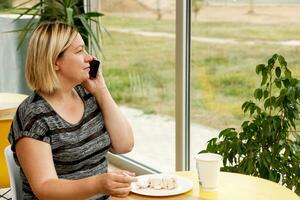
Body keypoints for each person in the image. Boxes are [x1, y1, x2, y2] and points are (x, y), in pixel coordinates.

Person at [8, 21, 136, 200]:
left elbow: (125, 145)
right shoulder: (33, 115)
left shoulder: (88, 94)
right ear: (54, 62)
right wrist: (98, 184)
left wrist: (101, 90)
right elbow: (45, 188)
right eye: (79, 51)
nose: (89, 58)